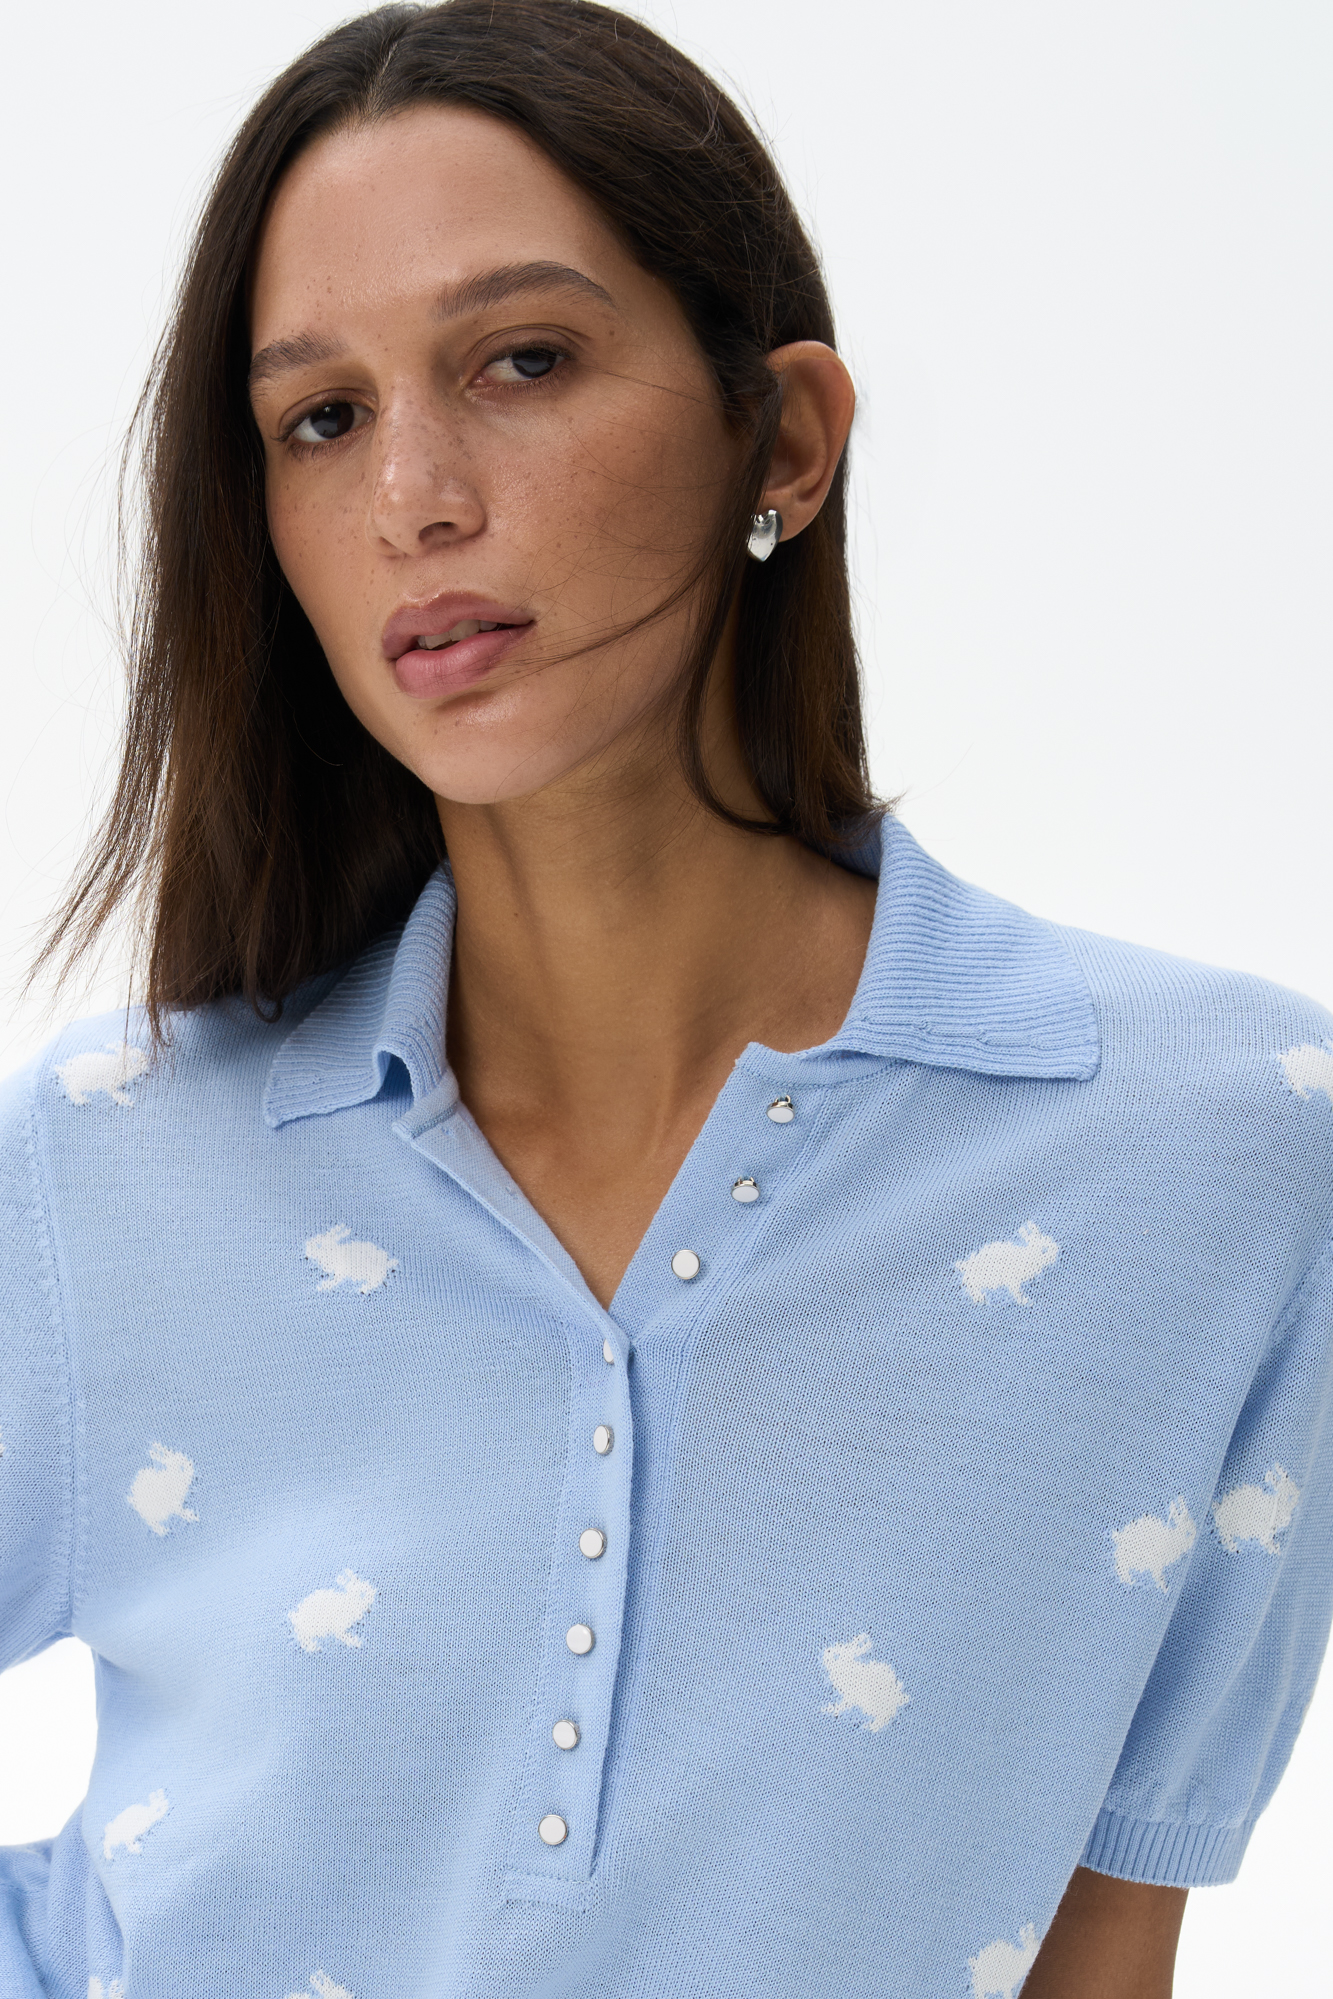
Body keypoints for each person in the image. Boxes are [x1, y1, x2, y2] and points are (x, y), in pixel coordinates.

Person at [2, 2, 1330, 1994]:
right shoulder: (110, 1163)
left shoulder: (1218, 1145)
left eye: (520, 361)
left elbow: (1099, 1941)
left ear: (781, 436)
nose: (413, 496)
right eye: (321, 418)